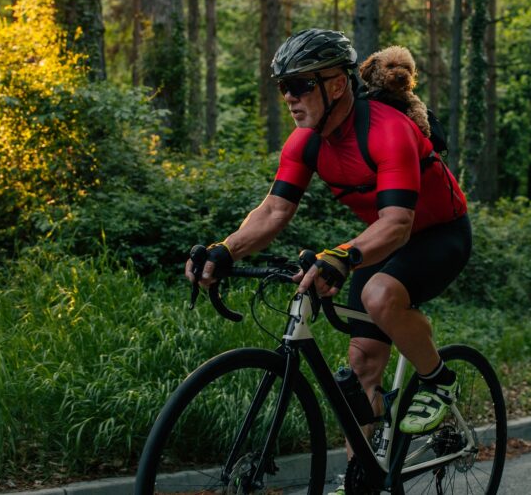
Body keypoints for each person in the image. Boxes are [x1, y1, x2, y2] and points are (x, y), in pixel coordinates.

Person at [186, 28, 471, 491]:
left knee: (380, 294)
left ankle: (439, 382)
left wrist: (343, 256)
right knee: (359, 372)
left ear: (336, 84)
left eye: (299, 85)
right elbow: (274, 211)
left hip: (439, 234)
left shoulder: (387, 130)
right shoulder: (306, 141)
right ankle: (362, 477)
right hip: (384, 240)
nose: (290, 98)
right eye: (284, 87)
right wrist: (225, 249)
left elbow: (398, 222)